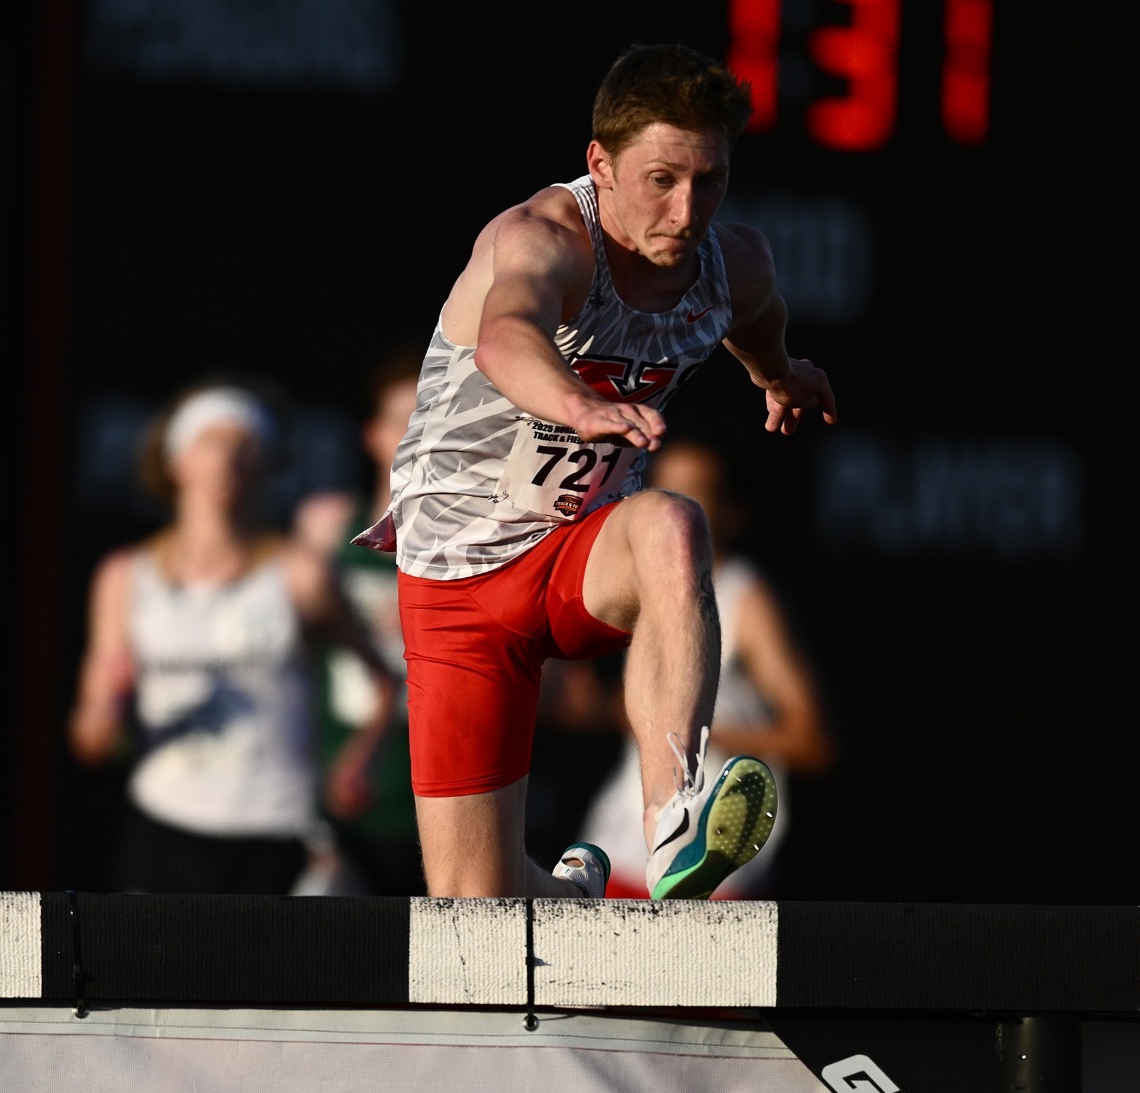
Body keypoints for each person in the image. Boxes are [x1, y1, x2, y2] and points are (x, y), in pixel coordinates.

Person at [352, 44, 837, 900]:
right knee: (476, 905)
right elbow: (507, 335)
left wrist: (778, 373)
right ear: (600, 166)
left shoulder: (736, 265)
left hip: (576, 549)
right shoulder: (543, 238)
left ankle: (673, 822)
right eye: (661, 180)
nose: (687, 211)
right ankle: (571, 895)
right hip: (459, 579)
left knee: (672, 522)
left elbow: (757, 317)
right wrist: (577, 405)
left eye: (710, 182)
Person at [70, 384, 394, 894]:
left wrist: (356, 760)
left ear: (265, 467)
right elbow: (90, 736)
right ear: (176, 462)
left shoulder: (298, 575)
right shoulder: (124, 578)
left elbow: (385, 681)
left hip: (276, 831)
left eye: (244, 447)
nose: (227, 459)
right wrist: (111, 710)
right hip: (164, 827)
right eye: (211, 442)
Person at [576, 438, 835, 898]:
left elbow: (810, 740)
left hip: (714, 876)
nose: (670, 511)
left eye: (693, 494)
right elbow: (592, 707)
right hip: (620, 857)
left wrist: (681, 726)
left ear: (732, 511)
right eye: (663, 491)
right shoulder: (629, 587)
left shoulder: (747, 600)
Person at [294, 354, 428, 896]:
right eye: (403, 418)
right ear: (372, 435)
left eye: (432, 417)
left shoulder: (482, 547)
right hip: (335, 790)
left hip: (431, 790)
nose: (418, 433)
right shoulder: (325, 527)